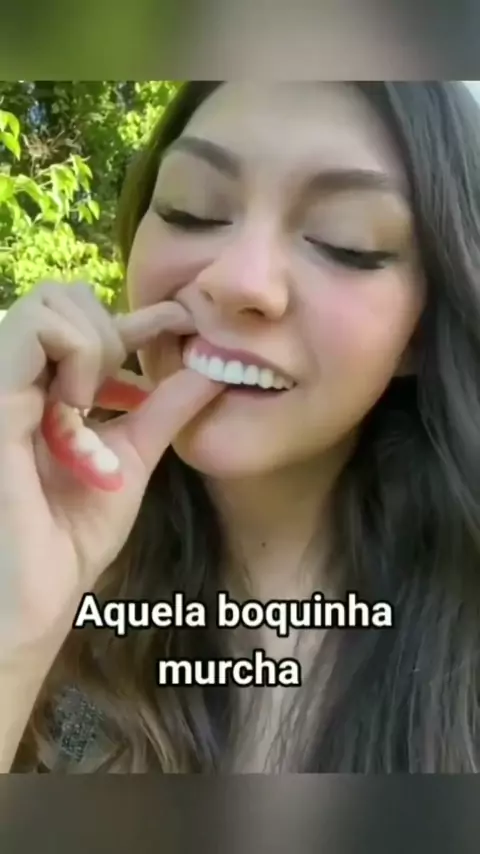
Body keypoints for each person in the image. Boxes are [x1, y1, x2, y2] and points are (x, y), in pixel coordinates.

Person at [1, 81, 480, 774]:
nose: (240, 281)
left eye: (345, 243)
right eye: (190, 211)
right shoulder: (42, 539)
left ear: (421, 331)